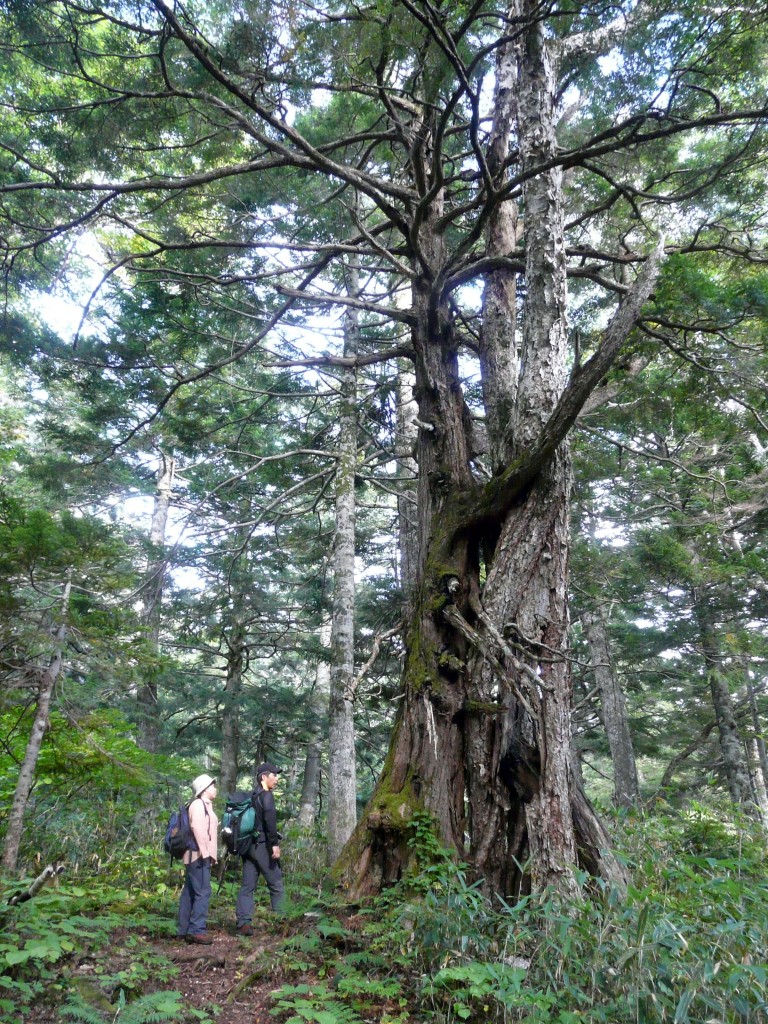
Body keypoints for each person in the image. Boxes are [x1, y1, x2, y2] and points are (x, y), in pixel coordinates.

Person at [235, 762, 285, 934]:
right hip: (263, 846)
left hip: (249, 847)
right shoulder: (266, 796)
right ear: (264, 777)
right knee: (276, 884)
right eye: (274, 775)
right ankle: (283, 922)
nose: (276, 779)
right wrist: (275, 846)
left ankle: (244, 923)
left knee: (247, 886)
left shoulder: (252, 796)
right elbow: (270, 824)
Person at [178, 773, 219, 945]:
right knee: (203, 891)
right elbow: (198, 828)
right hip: (198, 855)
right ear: (204, 789)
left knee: (190, 891)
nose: (215, 788)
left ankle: (183, 929)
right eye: (212, 785)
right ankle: (197, 930)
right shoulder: (198, 805)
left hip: (196, 855)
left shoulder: (205, 806)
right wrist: (206, 852)